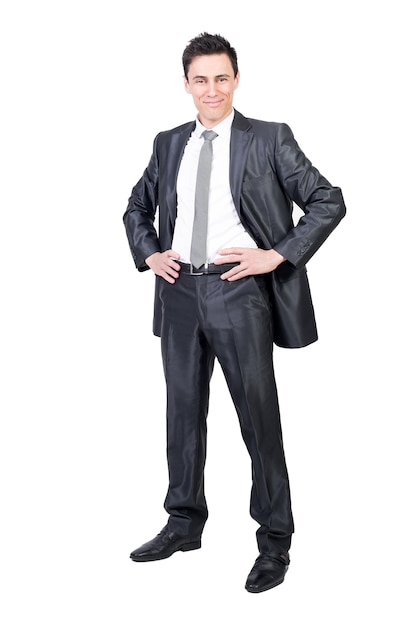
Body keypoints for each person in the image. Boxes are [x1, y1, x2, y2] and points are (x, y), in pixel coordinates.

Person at [123, 32, 346, 593]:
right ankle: (183, 522)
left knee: (258, 418)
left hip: (238, 291)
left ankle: (275, 542)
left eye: (222, 77)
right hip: (177, 294)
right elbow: (136, 206)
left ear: (236, 79)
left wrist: (276, 255)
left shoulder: (269, 138)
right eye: (201, 79)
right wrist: (149, 251)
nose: (212, 89)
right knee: (183, 414)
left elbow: (328, 199)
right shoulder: (168, 142)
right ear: (186, 85)